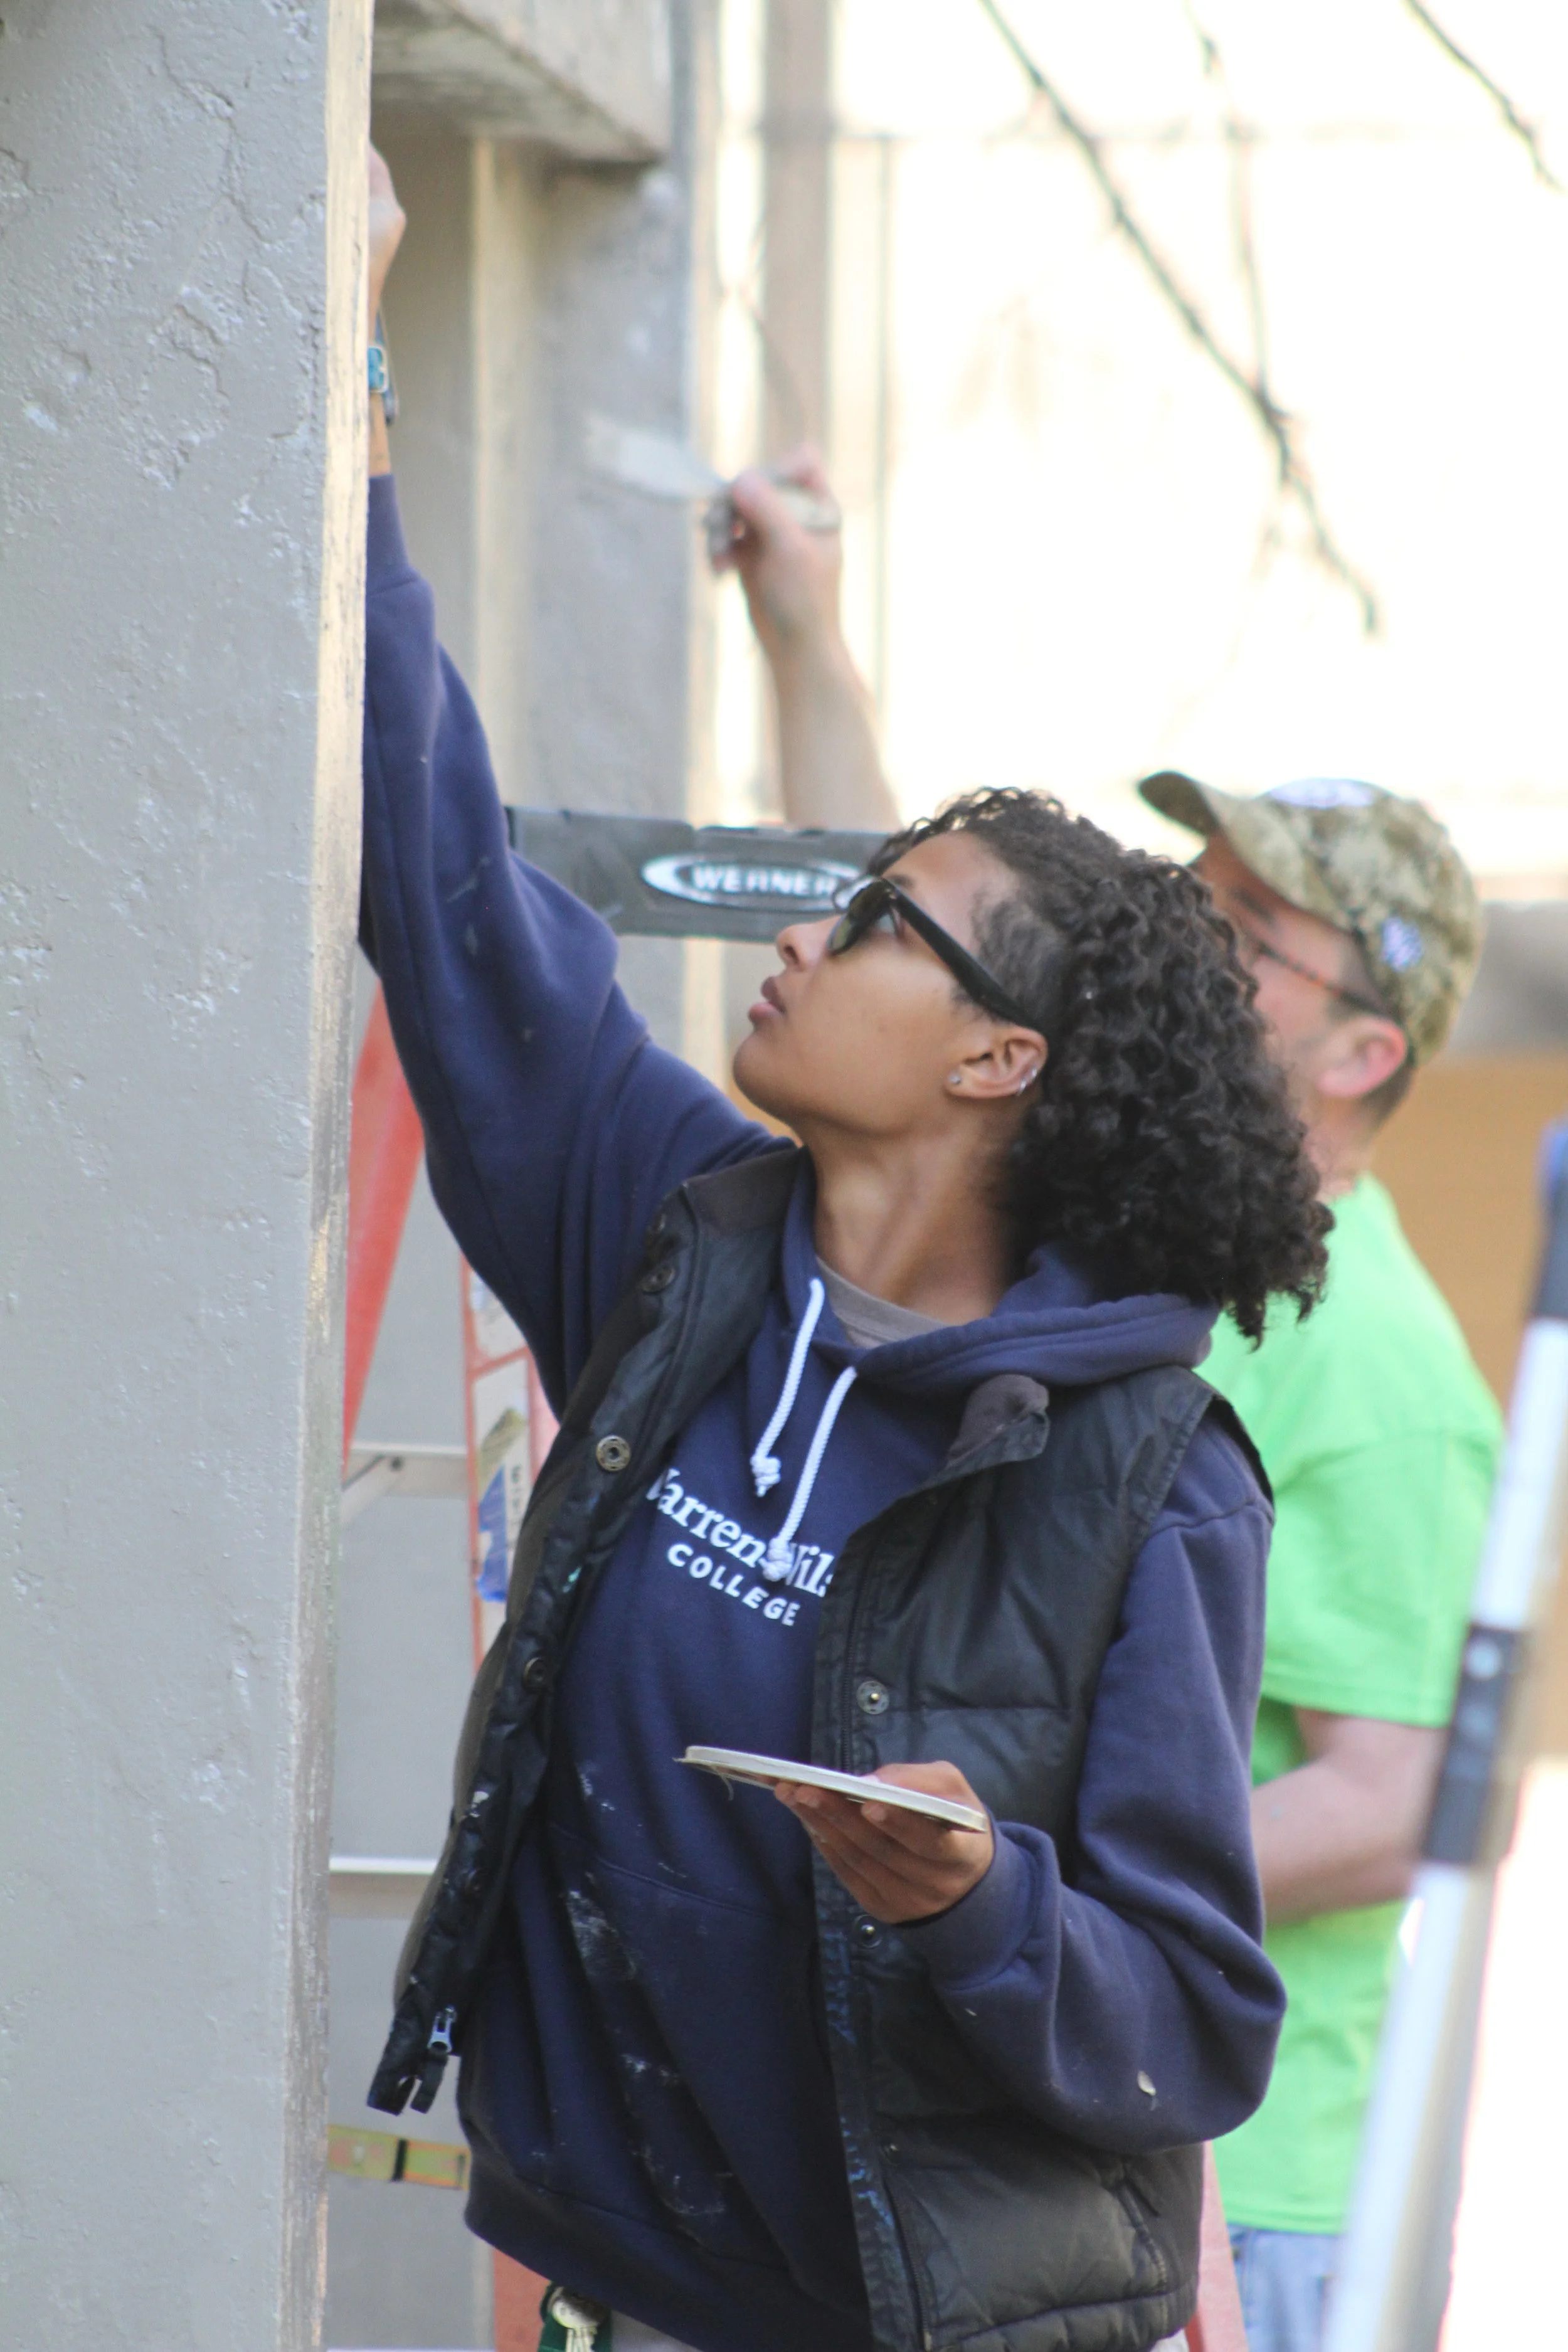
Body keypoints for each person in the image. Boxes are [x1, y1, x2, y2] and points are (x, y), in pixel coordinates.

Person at [361, 151, 1328, 2352]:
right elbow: (428, 855)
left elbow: (1191, 2015)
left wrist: (983, 1901)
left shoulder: (1144, 1479)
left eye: (878, 917)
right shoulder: (670, 1234)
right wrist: (359, 362)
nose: (799, 930)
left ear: (1001, 1057)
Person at [718, 470, 1500, 2352]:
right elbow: (904, 929)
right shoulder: (1089, 1225)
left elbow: (1393, 1803)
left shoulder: (1381, 1371)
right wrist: (802, 632)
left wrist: (1034, 1860)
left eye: (1247, 933)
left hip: (1251, 2192)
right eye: (1197, 897)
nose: (1183, 940)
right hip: (1015, 2125)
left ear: (1360, 1049)